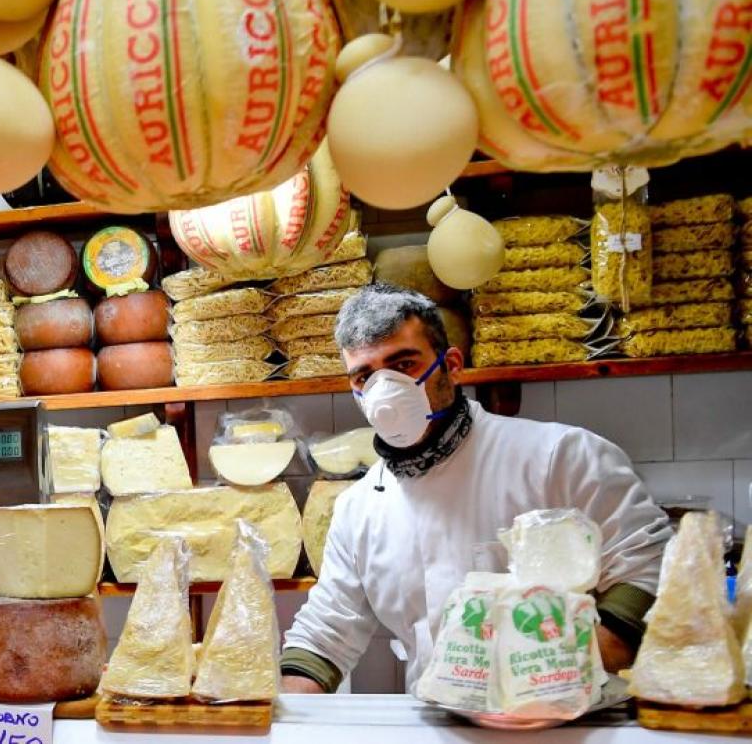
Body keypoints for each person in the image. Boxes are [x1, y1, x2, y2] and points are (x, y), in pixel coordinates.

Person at [281, 284, 673, 694]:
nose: (385, 390)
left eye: (404, 364)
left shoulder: (561, 457)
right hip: (436, 720)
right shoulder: (359, 508)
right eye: (366, 375)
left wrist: (554, 673)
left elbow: (649, 566)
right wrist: (286, 720)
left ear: (452, 365)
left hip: (568, 720)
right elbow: (326, 631)